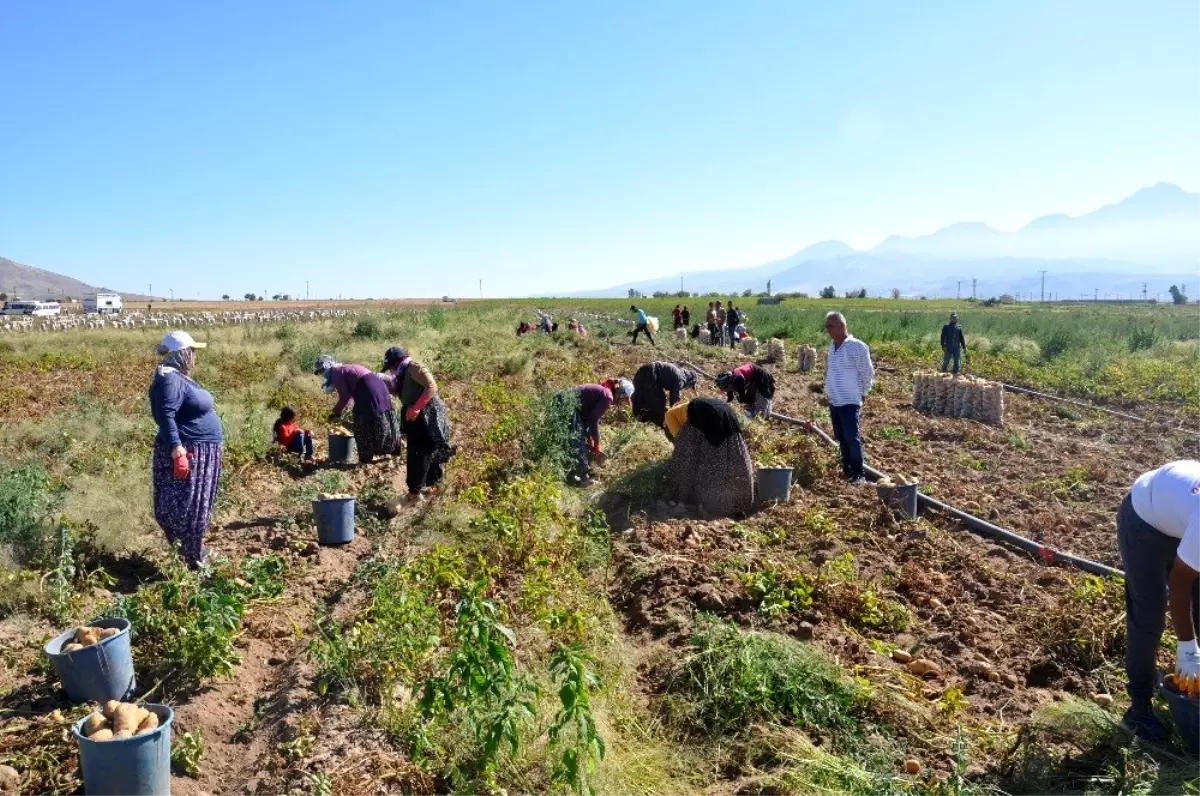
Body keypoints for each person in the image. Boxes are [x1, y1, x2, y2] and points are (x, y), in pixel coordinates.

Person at [1118, 461, 1200, 741]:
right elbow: (1180, 585)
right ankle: (1138, 710)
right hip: (1145, 520)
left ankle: (1192, 689)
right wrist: (1187, 649)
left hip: (1181, 515)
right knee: (1149, 615)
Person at [149, 331, 223, 568]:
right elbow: (166, 415)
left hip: (201, 449)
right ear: (183, 354)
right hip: (189, 450)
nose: (195, 357)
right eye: (193, 352)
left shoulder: (179, 377)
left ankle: (193, 550)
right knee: (184, 506)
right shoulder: (169, 378)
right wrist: (177, 450)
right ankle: (192, 555)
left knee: (193, 506)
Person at [382, 347, 455, 503]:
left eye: (391, 367)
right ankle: (430, 485)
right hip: (415, 415)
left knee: (422, 450)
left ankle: (416, 491)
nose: (391, 371)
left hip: (427, 414)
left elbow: (432, 387)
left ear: (397, 362)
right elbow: (405, 392)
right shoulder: (401, 375)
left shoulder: (414, 368)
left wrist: (416, 408)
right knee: (422, 450)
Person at [666, 397, 755, 516]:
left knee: (691, 461)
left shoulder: (671, 416)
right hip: (728, 418)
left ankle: (700, 505)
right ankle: (738, 505)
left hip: (710, 418)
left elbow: (681, 441)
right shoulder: (688, 407)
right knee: (732, 462)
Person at [315, 354, 399, 464]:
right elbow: (349, 397)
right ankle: (387, 452)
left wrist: (335, 412)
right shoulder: (343, 369)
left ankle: (366, 458)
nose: (322, 374)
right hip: (377, 387)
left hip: (368, 390)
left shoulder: (336, 372)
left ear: (327, 366)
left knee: (362, 421)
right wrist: (344, 409)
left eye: (322, 371)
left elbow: (344, 395)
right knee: (378, 417)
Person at [823, 311, 874, 482]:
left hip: (850, 399)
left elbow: (867, 373)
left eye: (829, 326)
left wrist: (864, 393)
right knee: (840, 437)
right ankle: (847, 469)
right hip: (835, 399)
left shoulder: (857, 346)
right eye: (827, 326)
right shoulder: (832, 345)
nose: (827, 329)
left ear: (841, 326)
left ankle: (859, 473)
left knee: (852, 437)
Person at [561, 378, 633, 484]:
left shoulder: (604, 392)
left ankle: (571, 474)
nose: (623, 402)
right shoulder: (607, 396)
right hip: (566, 403)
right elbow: (593, 420)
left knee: (579, 440)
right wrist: (597, 444)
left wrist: (590, 439)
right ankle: (584, 478)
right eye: (624, 399)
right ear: (620, 394)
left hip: (567, 403)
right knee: (578, 442)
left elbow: (588, 419)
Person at [631, 362, 697, 427]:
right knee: (658, 402)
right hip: (651, 373)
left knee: (640, 396)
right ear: (690, 381)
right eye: (690, 386)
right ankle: (659, 424)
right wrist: (676, 414)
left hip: (643, 370)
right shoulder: (681, 379)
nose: (687, 388)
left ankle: (638, 418)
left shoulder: (677, 372)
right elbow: (675, 399)